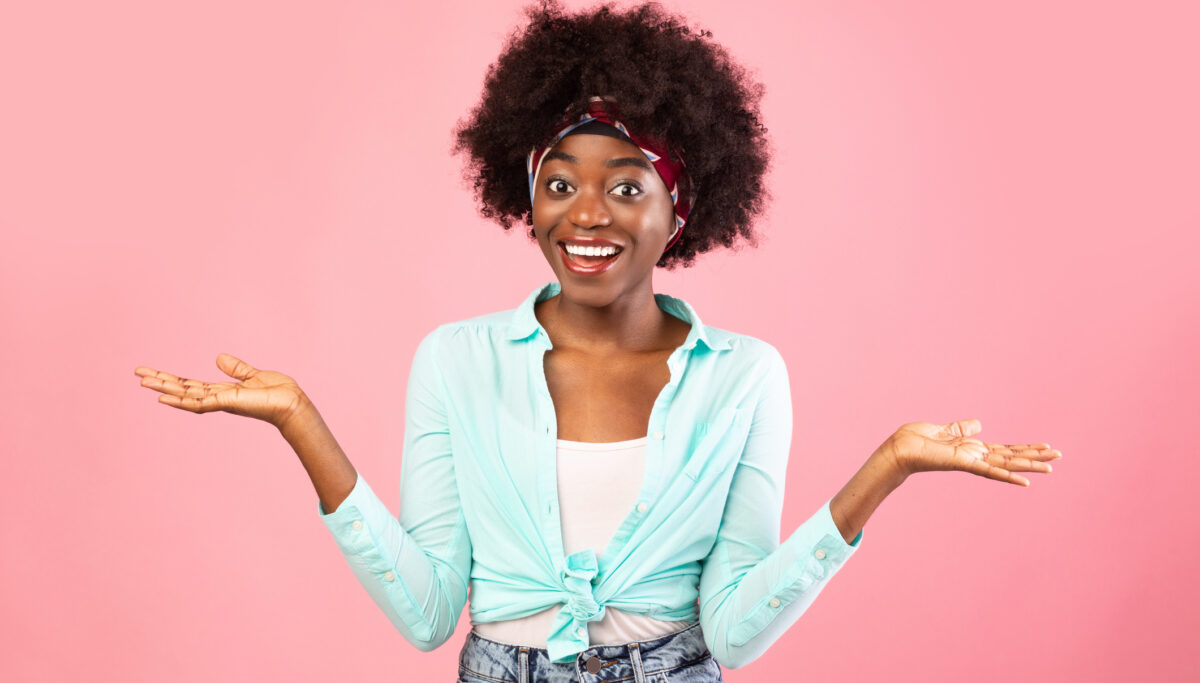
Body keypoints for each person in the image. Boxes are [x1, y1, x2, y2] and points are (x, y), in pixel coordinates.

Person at [133, 1, 1061, 681]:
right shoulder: (455, 362)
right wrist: (300, 421)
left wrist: (885, 469)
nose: (586, 214)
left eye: (626, 186)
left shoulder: (744, 378)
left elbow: (734, 632)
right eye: (560, 182)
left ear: (678, 211)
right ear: (526, 195)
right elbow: (424, 615)